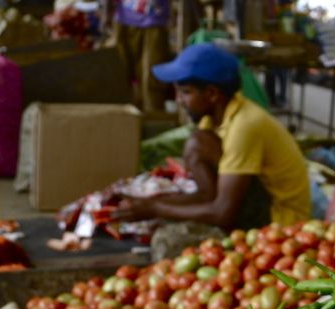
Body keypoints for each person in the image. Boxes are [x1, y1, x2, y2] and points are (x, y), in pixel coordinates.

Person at [114, 44, 311, 230]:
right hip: (257, 201)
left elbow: (223, 214)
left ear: (212, 94)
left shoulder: (245, 125)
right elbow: (205, 196)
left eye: (185, 92)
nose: (178, 100)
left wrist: (156, 209)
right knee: (197, 143)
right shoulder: (213, 118)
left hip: (281, 220)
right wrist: (148, 203)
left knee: (197, 143)